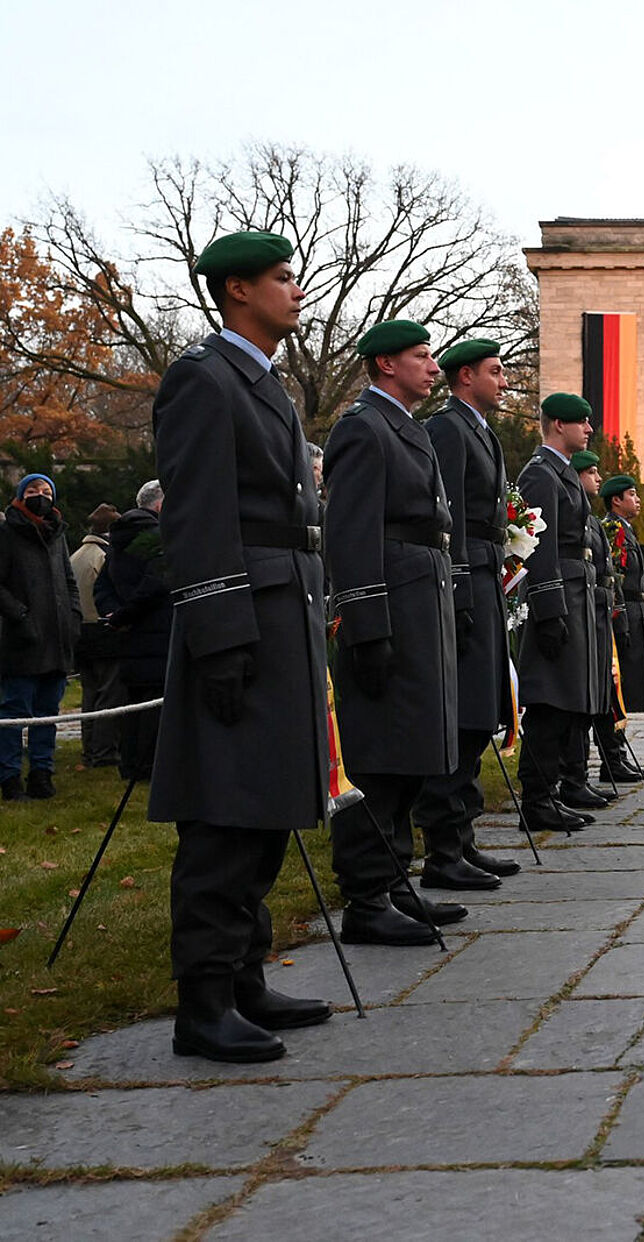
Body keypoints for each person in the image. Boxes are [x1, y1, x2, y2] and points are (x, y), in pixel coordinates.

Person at [149, 230, 330, 1062]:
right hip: (243, 617)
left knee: (265, 804)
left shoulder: (265, 383)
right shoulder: (203, 378)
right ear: (236, 291)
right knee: (225, 812)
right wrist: (220, 637)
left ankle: (245, 977)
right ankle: (205, 1001)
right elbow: (197, 514)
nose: (295, 289)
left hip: (282, 608)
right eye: (281, 278)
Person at [324, 319, 461, 946]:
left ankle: (394, 879)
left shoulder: (404, 427)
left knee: (410, 754)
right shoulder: (363, 427)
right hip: (391, 604)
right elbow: (351, 533)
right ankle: (365, 897)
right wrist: (367, 625)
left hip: (418, 596)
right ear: (385, 364)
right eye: (421, 356)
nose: (433, 368)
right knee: (380, 756)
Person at [410, 338, 522, 891]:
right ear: (465, 376)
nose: (503, 380)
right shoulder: (448, 429)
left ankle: (464, 838)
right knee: (463, 715)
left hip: (485, 571)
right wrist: (456, 589)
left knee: (480, 711)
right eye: (495, 372)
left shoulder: (479, 430)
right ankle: (442, 849)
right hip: (466, 576)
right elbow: (446, 513)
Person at [515, 394, 605, 833]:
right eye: (580, 423)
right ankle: (536, 797)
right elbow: (538, 547)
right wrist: (549, 610)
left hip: (576, 589)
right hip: (560, 592)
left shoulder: (560, 472)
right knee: (550, 701)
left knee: (568, 700)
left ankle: (552, 790)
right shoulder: (540, 475)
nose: (588, 430)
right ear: (556, 426)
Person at [0, 472, 80, 800]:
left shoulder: (58, 535)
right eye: (33, 490)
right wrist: (20, 616)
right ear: (21, 495)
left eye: (46, 490)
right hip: (22, 639)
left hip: (58, 638)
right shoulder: (7, 533)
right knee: (14, 713)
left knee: (48, 713)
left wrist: (74, 617)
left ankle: (42, 773)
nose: (40, 495)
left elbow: (69, 579)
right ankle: (8, 777)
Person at [98, 480, 170, 782]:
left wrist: (114, 614)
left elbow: (101, 585)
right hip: (157, 634)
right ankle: (150, 767)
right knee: (155, 706)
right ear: (159, 505)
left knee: (132, 705)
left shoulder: (117, 540)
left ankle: (129, 764)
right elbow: (156, 583)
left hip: (128, 635)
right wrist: (127, 613)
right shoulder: (157, 537)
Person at [558, 452, 619, 809]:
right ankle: (567, 778)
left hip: (592, 607)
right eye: (591, 472)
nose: (597, 478)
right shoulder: (546, 480)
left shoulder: (592, 520)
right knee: (573, 698)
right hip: (577, 604)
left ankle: (577, 775)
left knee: (590, 695)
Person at [598, 473, 644, 782]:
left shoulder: (626, 530)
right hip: (626, 613)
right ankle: (612, 758)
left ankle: (617, 755)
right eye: (632, 494)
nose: (637, 500)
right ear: (616, 500)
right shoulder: (613, 529)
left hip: (636, 610)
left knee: (626, 689)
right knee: (618, 688)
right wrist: (620, 617)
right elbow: (615, 577)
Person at [71, 501, 124, 770]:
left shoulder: (77, 555)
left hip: (80, 632)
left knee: (90, 694)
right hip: (103, 631)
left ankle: (89, 748)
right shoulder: (104, 557)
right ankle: (103, 752)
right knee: (110, 695)